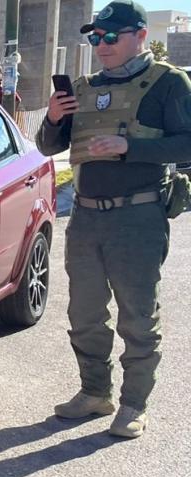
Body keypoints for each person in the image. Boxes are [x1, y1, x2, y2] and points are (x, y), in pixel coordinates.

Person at [37, 0, 191, 438]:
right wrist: (52, 118)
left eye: (111, 37)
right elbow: (49, 147)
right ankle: (94, 392)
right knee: (85, 314)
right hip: (86, 217)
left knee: (137, 317)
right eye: (95, 38)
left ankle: (133, 404)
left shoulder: (169, 84)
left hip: (137, 217)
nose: (101, 45)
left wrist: (131, 149)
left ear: (140, 35)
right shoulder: (83, 88)